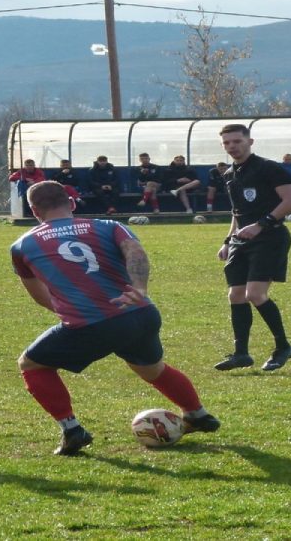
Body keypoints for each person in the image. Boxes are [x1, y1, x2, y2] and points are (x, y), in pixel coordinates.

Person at [11, 180, 220, 456]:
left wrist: (71, 310)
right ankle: (197, 414)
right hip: (141, 313)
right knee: (152, 369)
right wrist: (140, 289)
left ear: (34, 211)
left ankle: (72, 430)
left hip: (91, 325)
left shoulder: (22, 245)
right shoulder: (109, 226)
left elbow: (38, 294)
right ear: (72, 203)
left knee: (32, 364)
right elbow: (135, 252)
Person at [214, 124, 291, 372]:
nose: (232, 146)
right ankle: (241, 353)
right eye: (227, 143)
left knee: (255, 294)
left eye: (237, 141)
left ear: (250, 142)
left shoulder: (269, 168)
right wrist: (228, 241)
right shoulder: (229, 174)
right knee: (236, 295)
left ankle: (283, 347)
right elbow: (236, 212)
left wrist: (260, 225)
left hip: (270, 237)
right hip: (242, 241)